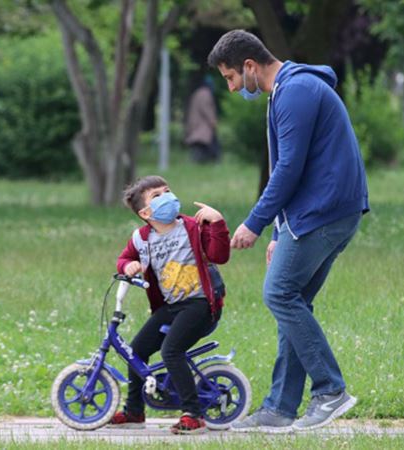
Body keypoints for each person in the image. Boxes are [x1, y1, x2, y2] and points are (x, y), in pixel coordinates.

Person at [206, 30, 369, 432]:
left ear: (249, 66)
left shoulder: (295, 91)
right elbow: (296, 166)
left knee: (278, 293)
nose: (230, 88)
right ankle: (280, 408)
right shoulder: (288, 90)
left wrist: (256, 223)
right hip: (319, 212)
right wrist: (281, 230)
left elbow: (288, 169)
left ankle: (331, 390)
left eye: (229, 78)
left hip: (325, 212)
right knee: (292, 301)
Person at [110, 175, 230, 435]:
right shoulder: (142, 238)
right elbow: (125, 258)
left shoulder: (192, 227)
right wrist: (128, 266)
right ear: (145, 212)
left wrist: (217, 222)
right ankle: (134, 411)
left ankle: (193, 415)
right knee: (136, 351)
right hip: (172, 306)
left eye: (167, 191)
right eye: (157, 196)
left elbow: (220, 255)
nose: (167, 197)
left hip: (199, 304)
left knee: (170, 351)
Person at [185, 75, 221, 163]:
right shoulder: (205, 93)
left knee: (199, 146)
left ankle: (203, 163)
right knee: (206, 145)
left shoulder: (198, 92)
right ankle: (212, 162)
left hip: (196, 125)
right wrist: (213, 120)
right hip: (202, 126)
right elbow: (206, 108)